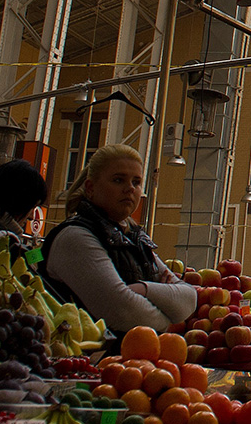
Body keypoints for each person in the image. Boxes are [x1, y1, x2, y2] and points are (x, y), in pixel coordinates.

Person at [42, 144, 196, 342]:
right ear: (90, 188)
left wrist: (142, 289)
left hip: (134, 355)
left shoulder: (134, 238)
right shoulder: (75, 237)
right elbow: (123, 312)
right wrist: (168, 315)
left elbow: (189, 299)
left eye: (136, 182)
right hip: (86, 357)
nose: (130, 188)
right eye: (118, 180)